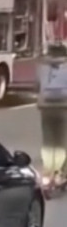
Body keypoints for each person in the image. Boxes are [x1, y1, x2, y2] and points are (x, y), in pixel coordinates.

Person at [38, 40, 67, 193]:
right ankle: (59, 172)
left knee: (48, 141)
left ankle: (48, 171)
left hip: (46, 108)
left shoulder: (43, 68)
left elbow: (37, 86)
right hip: (63, 108)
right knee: (61, 141)